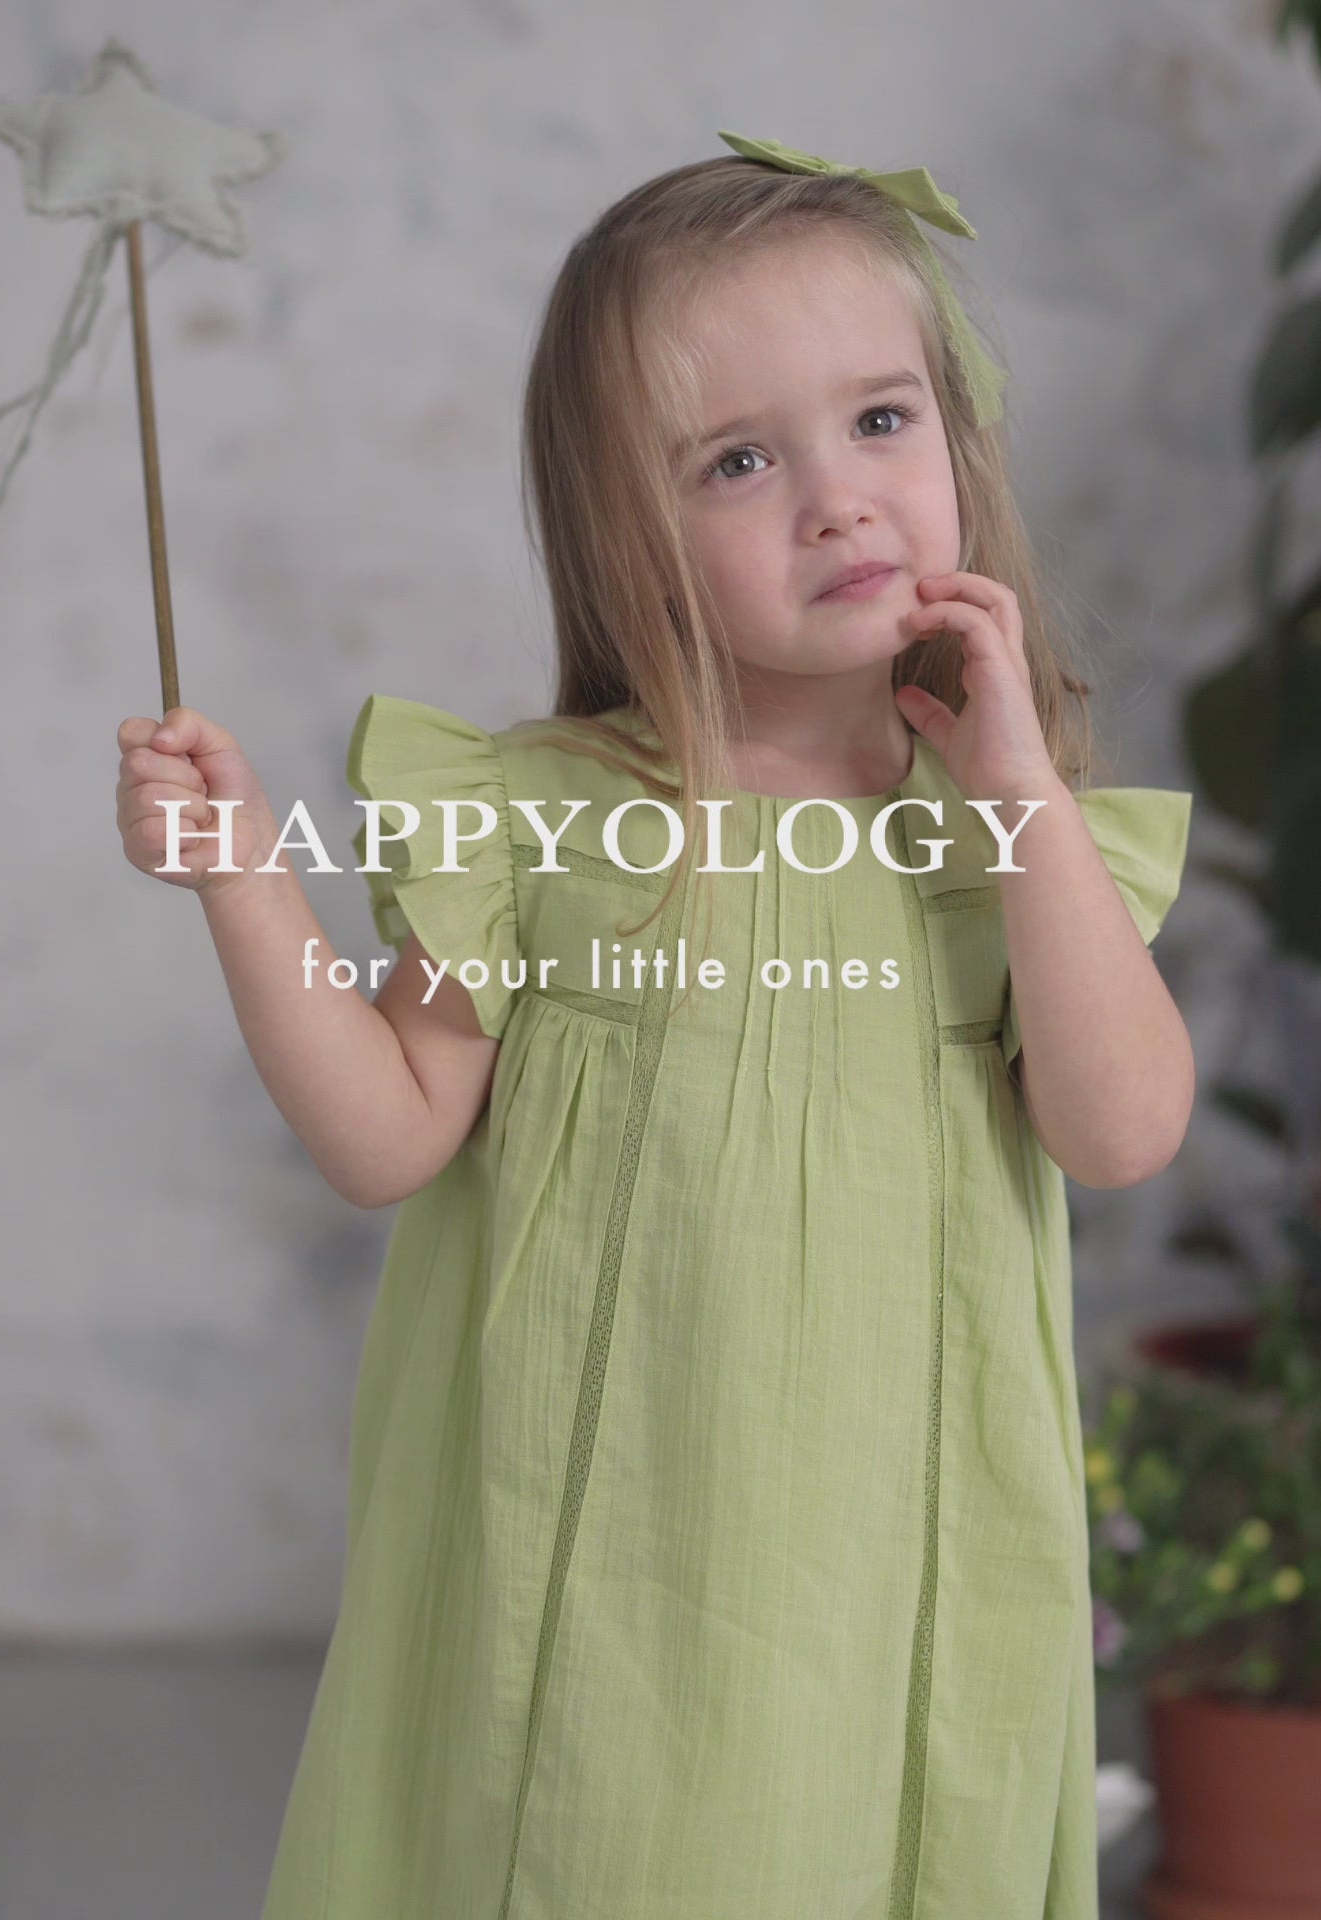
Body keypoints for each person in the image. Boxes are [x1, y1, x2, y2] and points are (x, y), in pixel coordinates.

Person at [113, 131, 1195, 1920]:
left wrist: (1020, 798)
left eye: (882, 419)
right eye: (739, 460)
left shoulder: (1003, 834)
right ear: (626, 528)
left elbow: (1124, 1128)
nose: (838, 500)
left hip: (905, 1556)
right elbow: (384, 1135)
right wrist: (245, 882)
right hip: (611, 1571)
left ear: (959, 440)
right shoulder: (543, 817)